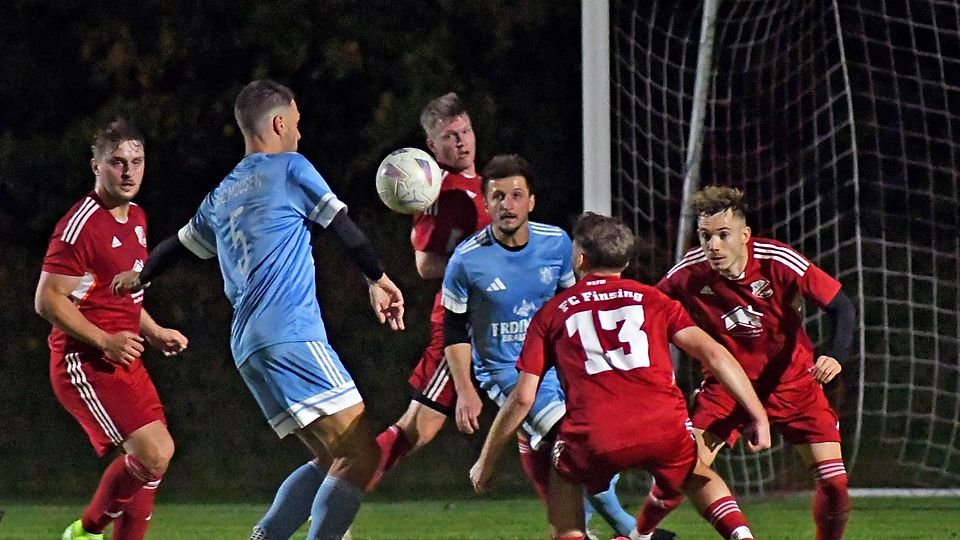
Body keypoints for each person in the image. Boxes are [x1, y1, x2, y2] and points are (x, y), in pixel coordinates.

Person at [111, 80, 405, 540]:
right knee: (360, 454)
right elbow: (343, 229)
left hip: (248, 345)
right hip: (290, 332)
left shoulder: (224, 193)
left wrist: (141, 275)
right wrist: (378, 278)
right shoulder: (290, 167)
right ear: (279, 123)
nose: (300, 135)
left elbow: (179, 246)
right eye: (298, 125)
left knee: (331, 458)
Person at [469, 212, 772, 540]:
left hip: (595, 437)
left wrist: (486, 461)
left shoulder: (552, 312)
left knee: (564, 478)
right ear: (625, 261)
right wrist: (758, 415)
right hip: (663, 427)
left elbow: (523, 397)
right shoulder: (656, 300)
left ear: (580, 259)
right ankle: (742, 536)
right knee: (695, 471)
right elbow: (715, 354)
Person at [636, 186, 856, 540]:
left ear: (744, 235)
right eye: (705, 236)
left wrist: (836, 354)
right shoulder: (689, 272)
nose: (714, 245)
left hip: (793, 384)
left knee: (835, 486)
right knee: (683, 467)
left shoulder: (778, 260)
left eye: (723, 235)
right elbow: (645, 312)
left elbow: (841, 307)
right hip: (726, 388)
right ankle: (659, 535)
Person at [442, 155, 638, 538]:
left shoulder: (556, 244)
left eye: (516, 195)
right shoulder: (466, 260)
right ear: (486, 203)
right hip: (506, 371)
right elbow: (453, 330)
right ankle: (634, 530)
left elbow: (573, 303)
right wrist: (465, 390)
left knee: (581, 448)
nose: (507, 204)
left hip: (556, 365)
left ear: (531, 201)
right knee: (574, 440)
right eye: (497, 196)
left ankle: (571, 526)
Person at [36, 118, 189, 540]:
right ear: (95, 166)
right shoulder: (80, 225)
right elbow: (47, 299)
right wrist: (104, 339)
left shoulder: (137, 217)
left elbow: (115, 292)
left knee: (155, 459)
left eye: (136, 162)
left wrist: (154, 331)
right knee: (153, 453)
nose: (128, 171)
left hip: (122, 355)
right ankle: (85, 532)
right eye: (117, 162)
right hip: (82, 361)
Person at [366, 92, 491, 488]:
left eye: (466, 131)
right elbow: (425, 263)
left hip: (499, 319)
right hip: (462, 323)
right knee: (418, 427)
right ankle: (340, 493)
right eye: (451, 136)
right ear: (433, 147)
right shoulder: (439, 189)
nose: (462, 141)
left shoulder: (487, 184)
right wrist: (485, 268)